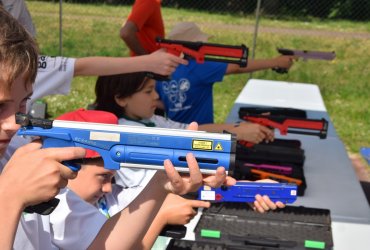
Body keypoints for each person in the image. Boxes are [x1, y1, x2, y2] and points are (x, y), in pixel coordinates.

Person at [54, 108, 213, 249]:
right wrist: (161, 217)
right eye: (103, 177)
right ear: (69, 168)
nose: (109, 188)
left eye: (112, 178)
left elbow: (151, 196)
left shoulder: (106, 199)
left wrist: (201, 180)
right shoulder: (60, 214)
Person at [0, 7, 86, 248]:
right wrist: (9, 198)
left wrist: (159, 187)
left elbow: (98, 242)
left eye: (24, 102)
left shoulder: (16, 153)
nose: (14, 124)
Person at [156, 22, 296, 124]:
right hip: (202, 133)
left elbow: (159, 102)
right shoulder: (198, 67)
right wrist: (275, 62)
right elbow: (237, 67)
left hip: (175, 129)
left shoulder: (162, 69)